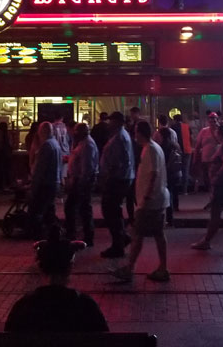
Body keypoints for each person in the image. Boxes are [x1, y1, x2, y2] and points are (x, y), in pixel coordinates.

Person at [112, 121, 171, 282]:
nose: (134, 135)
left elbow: (153, 174)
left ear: (141, 133)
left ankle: (130, 268)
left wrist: (145, 198)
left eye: (136, 132)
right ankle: (161, 268)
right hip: (158, 199)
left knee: (138, 234)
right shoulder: (154, 148)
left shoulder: (150, 149)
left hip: (151, 201)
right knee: (156, 234)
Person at [99, 112, 135, 258]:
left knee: (110, 210)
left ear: (117, 122)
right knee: (114, 210)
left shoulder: (120, 137)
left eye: (111, 121)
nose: (109, 124)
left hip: (117, 179)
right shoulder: (120, 135)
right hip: (121, 178)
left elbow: (121, 161)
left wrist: (109, 175)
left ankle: (118, 244)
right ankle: (122, 238)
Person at [64, 122, 98, 246]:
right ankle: (80, 233)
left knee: (79, 208)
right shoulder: (82, 143)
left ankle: (83, 235)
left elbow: (87, 167)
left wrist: (80, 183)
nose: (74, 133)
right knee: (79, 208)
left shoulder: (87, 145)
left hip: (81, 181)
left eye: (76, 131)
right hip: (79, 180)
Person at [29, 121, 62, 239]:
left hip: (45, 183)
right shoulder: (55, 144)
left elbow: (40, 169)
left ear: (43, 132)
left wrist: (33, 185)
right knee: (49, 209)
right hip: (54, 182)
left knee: (37, 209)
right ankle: (52, 234)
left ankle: (38, 235)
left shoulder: (46, 146)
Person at [155, 114, 182, 225]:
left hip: (168, 171)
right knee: (174, 191)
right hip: (176, 171)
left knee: (168, 192)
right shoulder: (174, 144)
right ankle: (175, 208)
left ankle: (169, 217)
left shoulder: (162, 147)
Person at [192, 112, 222, 201]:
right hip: (205, 160)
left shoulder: (220, 131)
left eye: (214, 120)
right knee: (208, 181)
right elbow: (198, 146)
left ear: (217, 120)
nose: (212, 122)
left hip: (217, 160)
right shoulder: (204, 131)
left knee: (216, 181)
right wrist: (195, 159)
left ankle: (216, 199)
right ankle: (212, 199)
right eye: (211, 120)